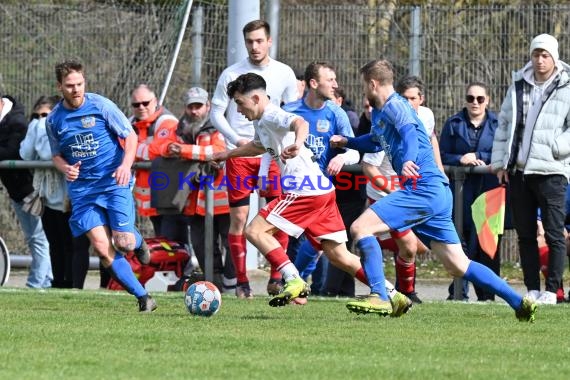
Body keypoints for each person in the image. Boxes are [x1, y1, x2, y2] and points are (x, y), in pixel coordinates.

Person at [330, 59, 537, 322]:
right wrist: (347, 141)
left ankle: (381, 296)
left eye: (364, 85)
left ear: (373, 83)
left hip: (422, 188)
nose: (363, 91)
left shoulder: (396, 105)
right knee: (458, 264)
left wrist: (408, 160)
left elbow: (408, 133)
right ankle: (519, 302)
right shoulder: (382, 113)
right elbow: (374, 141)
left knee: (360, 228)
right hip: (436, 192)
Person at [213, 72, 411, 314]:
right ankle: (393, 294)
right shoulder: (261, 121)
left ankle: (293, 279)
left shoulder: (273, 114)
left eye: (240, 103)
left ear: (255, 98)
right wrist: (227, 154)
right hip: (322, 191)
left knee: (254, 230)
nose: (239, 110)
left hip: (304, 190)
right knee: (339, 255)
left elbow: (300, 123)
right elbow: (258, 145)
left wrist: (298, 142)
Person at [46, 58, 156, 312]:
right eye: (70, 85)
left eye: (80, 83)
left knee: (124, 242)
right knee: (101, 247)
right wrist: (66, 168)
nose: (76, 89)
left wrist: (125, 165)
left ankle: (138, 242)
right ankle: (143, 297)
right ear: (59, 86)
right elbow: (56, 156)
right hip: (83, 191)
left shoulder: (101, 106)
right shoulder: (53, 120)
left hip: (113, 182)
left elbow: (130, 136)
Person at [210, 19, 298, 298]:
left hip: (272, 155)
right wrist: (236, 141)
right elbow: (216, 113)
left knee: (278, 216)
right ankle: (242, 283)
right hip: (242, 155)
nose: (254, 46)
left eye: (259, 41)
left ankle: (276, 277)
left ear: (269, 41)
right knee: (239, 220)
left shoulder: (284, 72)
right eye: (249, 41)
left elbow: (293, 109)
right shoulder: (231, 74)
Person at [491, 33, 570, 305]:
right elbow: (503, 124)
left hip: (551, 171)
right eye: (536, 54)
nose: (539, 60)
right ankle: (532, 288)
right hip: (519, 172)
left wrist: (558, 146)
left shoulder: (566, 85)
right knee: (525, 234)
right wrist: (501, 162)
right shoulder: (518, 84)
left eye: (545, 55)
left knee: (553, 232)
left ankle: (552, 290)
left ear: (554, 57)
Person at [282, 61, 360, 296]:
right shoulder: (290, 111)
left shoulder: (336, 113)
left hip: (320, 190)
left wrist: (341, 158)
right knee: (272, 235)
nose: (336, 85)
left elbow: (354, 150)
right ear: (314, 84)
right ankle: (291, 282)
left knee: (318, 243)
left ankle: (294, 283)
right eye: (331, 80)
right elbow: (270, 143)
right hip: (291, 187)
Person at [150, 87, 235, 292]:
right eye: (191, 107)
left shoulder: (218, 127)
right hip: (194, 202)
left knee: (231, 242)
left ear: (207, 106)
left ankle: (233, 287)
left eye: (199, 106)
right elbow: (155, 148)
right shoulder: (179, 128)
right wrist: (168, 149)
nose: (195, 111)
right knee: (202, 246)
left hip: (222, 199)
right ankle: (214, 287)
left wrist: (184, 151)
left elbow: (217, 152)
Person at [440, 82, 503, 301]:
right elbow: (441, 154)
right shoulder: (453, 124)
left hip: (490, 191)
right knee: (461, 242)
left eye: (480, 99)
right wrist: (460, 159)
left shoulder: (499, 124)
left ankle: (488, 296)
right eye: (470, 98)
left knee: (487, 244)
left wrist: (480, 157)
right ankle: (458, 292)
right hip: (461, 192)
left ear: (488, 100)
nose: (475, 103)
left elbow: (503, 151)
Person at [19, 95, 91, 289]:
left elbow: (48, 153)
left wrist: (40, 125)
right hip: (48, 196)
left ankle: (73, 284)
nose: (41, 119)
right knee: (55, 244)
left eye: (45, 115)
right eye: (37, 115)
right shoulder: (37, 127)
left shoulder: (64, 126)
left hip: (71, 195)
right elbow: (26, 154)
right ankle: (58, 282)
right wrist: (35, 126)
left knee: (72, 244)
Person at [0, 92, 52, 288]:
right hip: (18, 191)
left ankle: (37, 282)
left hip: (31, 191)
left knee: (37, 238)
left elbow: (13, 152)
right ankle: (45, 280)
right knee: (36, 238)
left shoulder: (17, 122)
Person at [129, 84, 179, 237]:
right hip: (150, 197)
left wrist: (131, 151)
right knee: (162, 243)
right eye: (136, 104)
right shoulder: (130, 123)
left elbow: (160, 150)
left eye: (146, 103)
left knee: (174, 244)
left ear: (155, 100)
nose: (141, 107)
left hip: (171, 195)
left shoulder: (166, 121)